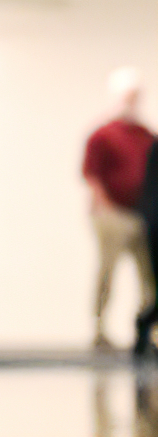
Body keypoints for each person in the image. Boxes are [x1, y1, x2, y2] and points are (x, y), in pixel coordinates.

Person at [85, 67, 153, 350]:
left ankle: (147, 330)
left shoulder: (146, 136)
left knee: (149, 274)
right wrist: (106, 209)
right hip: (112, 215)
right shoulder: (103, 135)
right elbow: (93, 176)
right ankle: (100, 330)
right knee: (107, 272)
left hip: (143, 215)